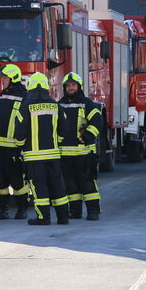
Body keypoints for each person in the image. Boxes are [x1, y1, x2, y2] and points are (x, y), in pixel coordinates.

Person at [14, 72, 69, 225]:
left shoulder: (25, 107)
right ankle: (63, 217)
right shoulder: (55, 105)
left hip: (34, 156)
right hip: (53, 155)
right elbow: (64, 128)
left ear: (30, 88)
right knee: (57, 184)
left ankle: (43, 217)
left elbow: (20, 132)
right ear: (46, 87)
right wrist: (56, 142)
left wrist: (20, 146)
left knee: (39, 186)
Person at [0, 64, 30, 220]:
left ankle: (22, 209)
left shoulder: (25, 98)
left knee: (17, 180)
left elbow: (26, 123)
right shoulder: (1, 96)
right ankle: (2, 209)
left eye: (4, 78)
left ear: (14, 79)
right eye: (2, 78)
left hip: (14, 147)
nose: (2, 80)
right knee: (0, 181)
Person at [57, 72, 103, 220]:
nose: (71, 88)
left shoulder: (87, 103)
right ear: (64, 87)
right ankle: (75, 211)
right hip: (65, 154)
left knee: (87, 184)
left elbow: (97, 120)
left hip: (84, 153)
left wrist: (88, 135)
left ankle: (93, 211)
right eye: (68, 85)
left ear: (79, 86)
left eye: (73, 85)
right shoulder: (59, 105)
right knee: (70, 185)